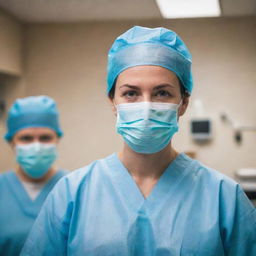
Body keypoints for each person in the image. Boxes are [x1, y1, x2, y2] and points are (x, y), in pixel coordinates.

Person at [21, 26, 256, 256]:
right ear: (112, 101)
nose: (146, 106)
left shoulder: (223, 198)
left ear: (183, 103)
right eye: (131, 93)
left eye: (162, 93)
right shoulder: (72, 194)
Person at [0, 95, 67, 256]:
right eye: (26, 138)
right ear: (12, 142)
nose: (36, 146)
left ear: (57, 139)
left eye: (45, 138)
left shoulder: (73, 189)